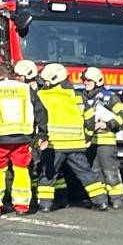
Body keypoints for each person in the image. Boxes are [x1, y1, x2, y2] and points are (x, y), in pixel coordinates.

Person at [0, 63, 47, 215]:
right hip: (23, 138)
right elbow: (41, 112)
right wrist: (42, 134)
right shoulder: (25, 89)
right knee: (22, 170)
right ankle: (22, 206)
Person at [36, 63, 96, 210]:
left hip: (54, 145)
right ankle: (100, 200)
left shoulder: (42, 95)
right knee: (86, 174)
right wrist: (88, 137)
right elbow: (90, 120)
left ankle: (45, 205)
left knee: (49, 175)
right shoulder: (78, 97)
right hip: (76, 144)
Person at [80, 67, 123, 208]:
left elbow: (122, 118)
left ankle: (117, 198)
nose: (85, 83)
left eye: (89, 80)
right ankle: (100, 200)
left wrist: (106, 124)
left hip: (105, 142)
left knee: (110, 170)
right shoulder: (82, 97)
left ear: (97, 81)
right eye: (84, 80)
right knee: (94, 173)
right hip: (89, 142)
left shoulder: (110, 97)